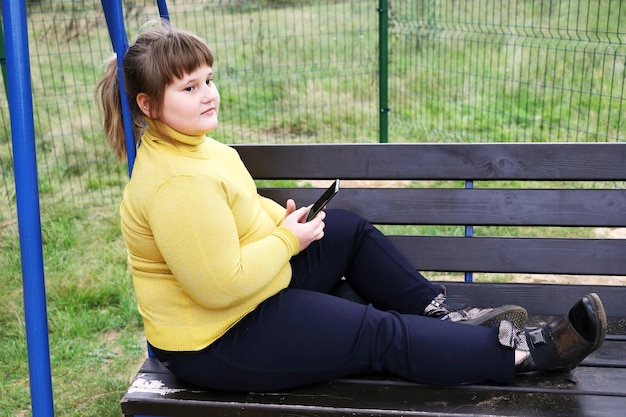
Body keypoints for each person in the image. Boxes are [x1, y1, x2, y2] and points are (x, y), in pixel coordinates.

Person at [97, 21, 607, 392]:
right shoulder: (174, 183)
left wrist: (283, 222)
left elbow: (239, 211)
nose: (208, 94)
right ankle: (529, 352)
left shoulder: (199, 147)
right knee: (375, 334)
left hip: (248, 297)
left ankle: (445, 321)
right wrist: (286, 241)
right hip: (218, 338)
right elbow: (217, 285)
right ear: (147, 105)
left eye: (208, 79)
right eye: (189, 88)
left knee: (343, 230)